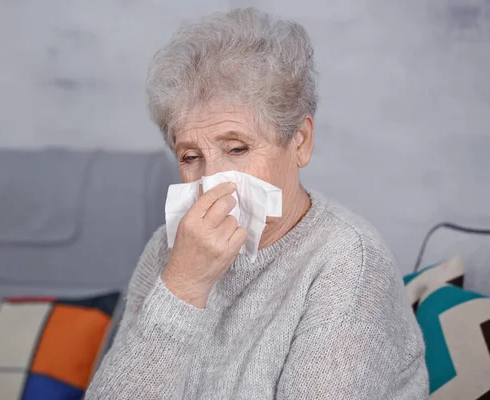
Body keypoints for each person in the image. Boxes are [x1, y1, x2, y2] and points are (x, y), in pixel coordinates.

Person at [85, 7, 428, 399]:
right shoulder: (168, 249)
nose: (213, 182)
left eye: (237, 147)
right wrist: (182, 286)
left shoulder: (351, 266)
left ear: (299, 141)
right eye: (191, 157)